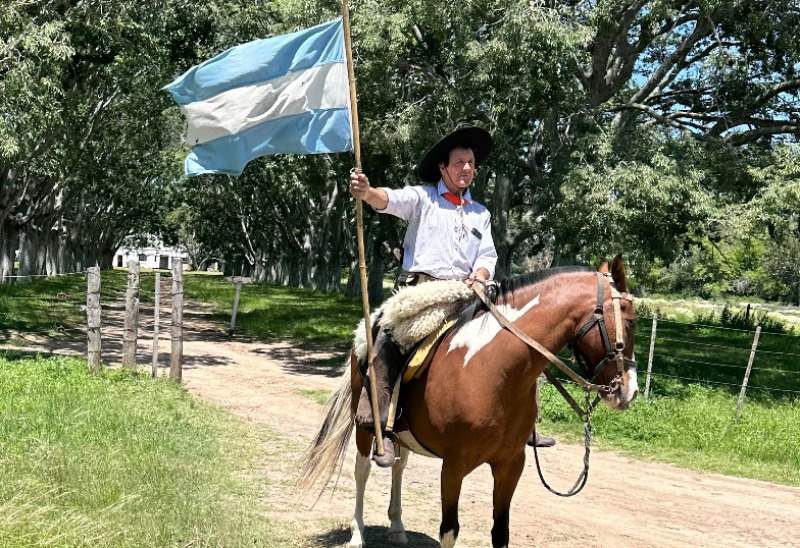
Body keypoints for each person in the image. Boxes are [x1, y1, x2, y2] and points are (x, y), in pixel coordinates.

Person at [349, 127, 554, 467]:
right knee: (388, 342)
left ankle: (525, 424)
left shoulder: (480, 214)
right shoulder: (423, 198)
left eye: (471, 163)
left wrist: (482, 273)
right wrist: (368, 191)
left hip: (468, 293)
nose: (466, 169)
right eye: (459, 162)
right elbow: (390, 200)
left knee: (517, 338)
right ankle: (380, 425)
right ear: (443, 168)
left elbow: (487, 255)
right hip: (422, 294)